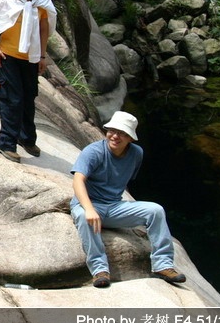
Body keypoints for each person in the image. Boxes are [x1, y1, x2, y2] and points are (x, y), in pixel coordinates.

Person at [70, 111, 187, 288]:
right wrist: (89, 209)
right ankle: (100, 270)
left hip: (114, 207)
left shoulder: (136, 153)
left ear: (131, 138)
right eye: (112, 131)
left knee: (155, 210)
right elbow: (78, 180)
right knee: (82, 216)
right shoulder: (93, 151)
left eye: (122, 133)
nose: (115, 136)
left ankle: (163, 265)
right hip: (89, 205)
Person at [0, 0, 56, 163]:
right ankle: (6, 142)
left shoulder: (42, 2)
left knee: (28, 97)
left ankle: (27, 138)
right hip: (8, 55)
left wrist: (42, 55)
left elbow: (44, 28)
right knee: (12, 98)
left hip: (31, 57)